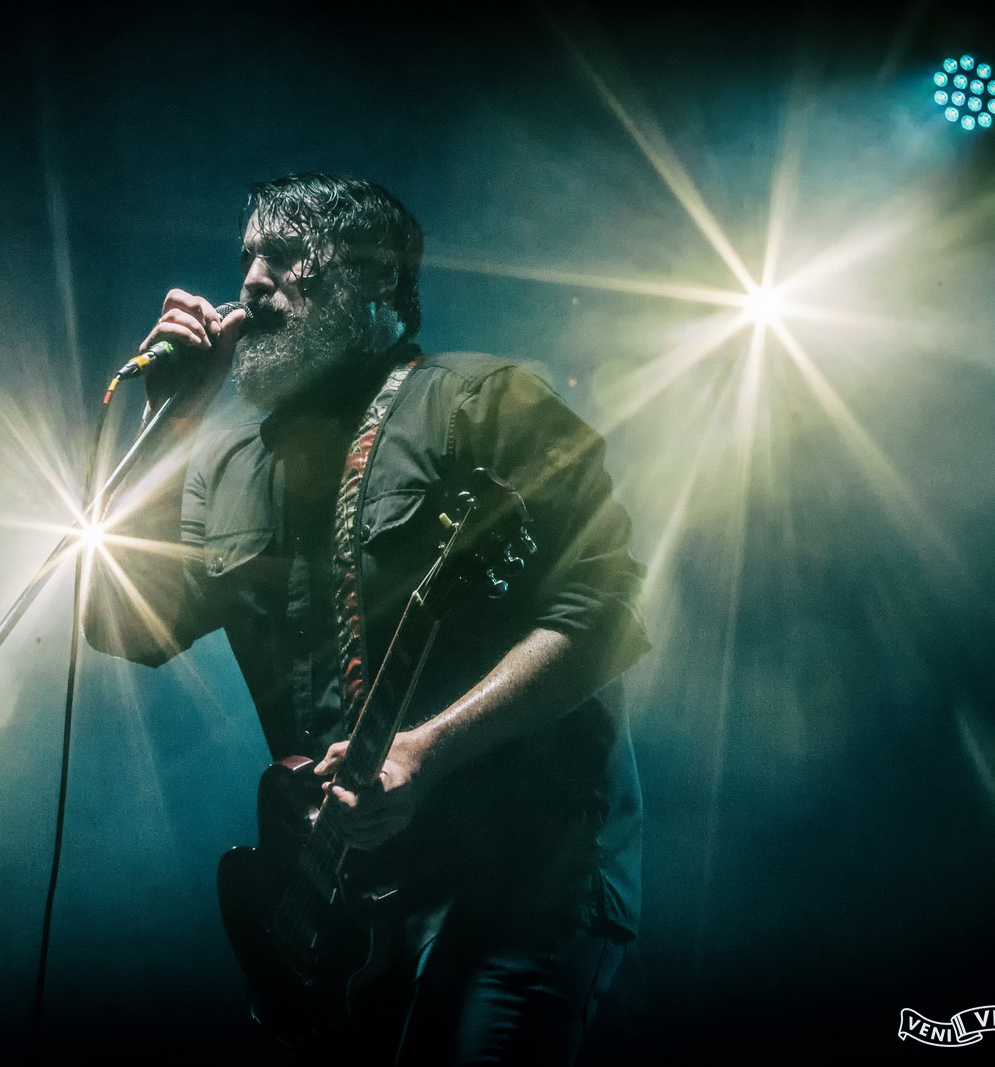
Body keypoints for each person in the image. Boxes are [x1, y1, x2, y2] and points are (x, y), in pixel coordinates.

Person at [83, 173, 649, 1065]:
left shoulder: (482, 401)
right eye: (247, 258)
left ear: (377, 276)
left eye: (286, 255)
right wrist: (173, 419)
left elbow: (603, 612)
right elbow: (121, 625)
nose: (253, 280)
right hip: (343, 908)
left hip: (519, 874)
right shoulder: (223, 467)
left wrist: (426, 750)